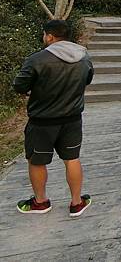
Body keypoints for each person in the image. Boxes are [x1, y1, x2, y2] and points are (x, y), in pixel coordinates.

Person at [13, 19, 94, 217]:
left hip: (42, 122)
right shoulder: (84, 57)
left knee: (37, 161)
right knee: (72, 159)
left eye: (44, 35)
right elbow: (88, 80)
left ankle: (40, 202)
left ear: (50, 36)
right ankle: (77, 203)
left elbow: (19, 86)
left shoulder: (37, 60)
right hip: (73, 120)